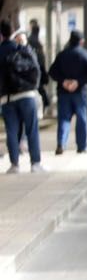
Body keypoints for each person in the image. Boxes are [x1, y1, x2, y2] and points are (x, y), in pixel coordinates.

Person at [2, 20, 46, 173]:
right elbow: (36, 69)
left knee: (11, 131)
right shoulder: (22, 48)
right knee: (32, 129)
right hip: (27, 95)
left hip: (7, 99)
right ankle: (35, 164)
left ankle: (14, 165)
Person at [49, 31, 87, 156]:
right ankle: (82, 146)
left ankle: (61, 143)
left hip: (63, 92)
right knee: (82, 119)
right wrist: (78, 82)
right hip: (80, 92)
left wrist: (63, 81)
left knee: (64, 119)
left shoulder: (62, 55)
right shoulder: (85, 54)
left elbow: (52, 71)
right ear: (81, 41)